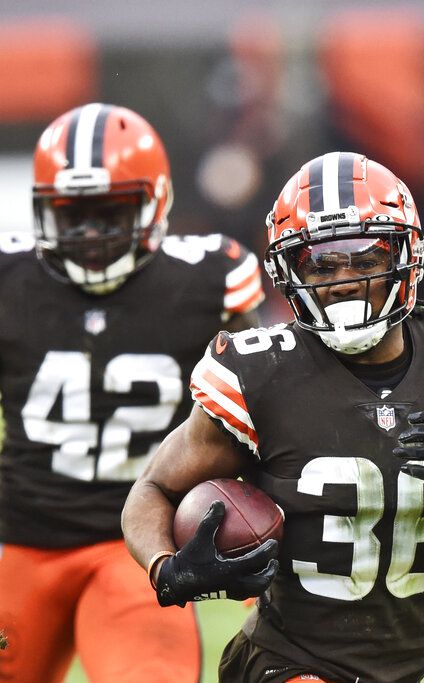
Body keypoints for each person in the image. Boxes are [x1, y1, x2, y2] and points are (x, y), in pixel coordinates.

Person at [121, 151, 424, 683]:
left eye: (365, 259)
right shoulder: (258, 372)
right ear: (288, 271)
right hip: (285, 664)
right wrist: (169, 568)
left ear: (407, 255)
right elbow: (152, 489)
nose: (344, 280)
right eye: (320, 264)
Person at [0, 103, 264, 682]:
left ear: (154, 204)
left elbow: (271, 413)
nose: (91, 235)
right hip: (19, 540)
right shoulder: (10, 279)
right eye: (73, 216)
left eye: (109, 213)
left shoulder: (205, 281)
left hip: (141, 549)